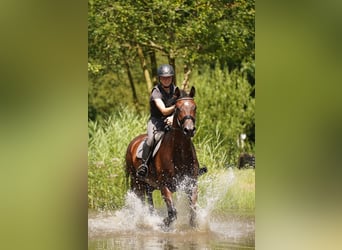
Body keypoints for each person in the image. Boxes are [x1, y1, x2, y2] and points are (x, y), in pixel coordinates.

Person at [136, 64, 177, 177]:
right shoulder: (156, 92)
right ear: (160, 78)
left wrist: (173, 117)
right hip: (156, 121)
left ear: (172, 78)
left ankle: (193, 166)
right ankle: (144, 165)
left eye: (168, 77)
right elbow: (163, 111)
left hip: (172, 120)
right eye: (163, 78)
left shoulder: (176, 90)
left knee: (185, 135)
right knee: (150, 140)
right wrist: (177, 107)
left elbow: (183, 108)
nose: (166, 80)